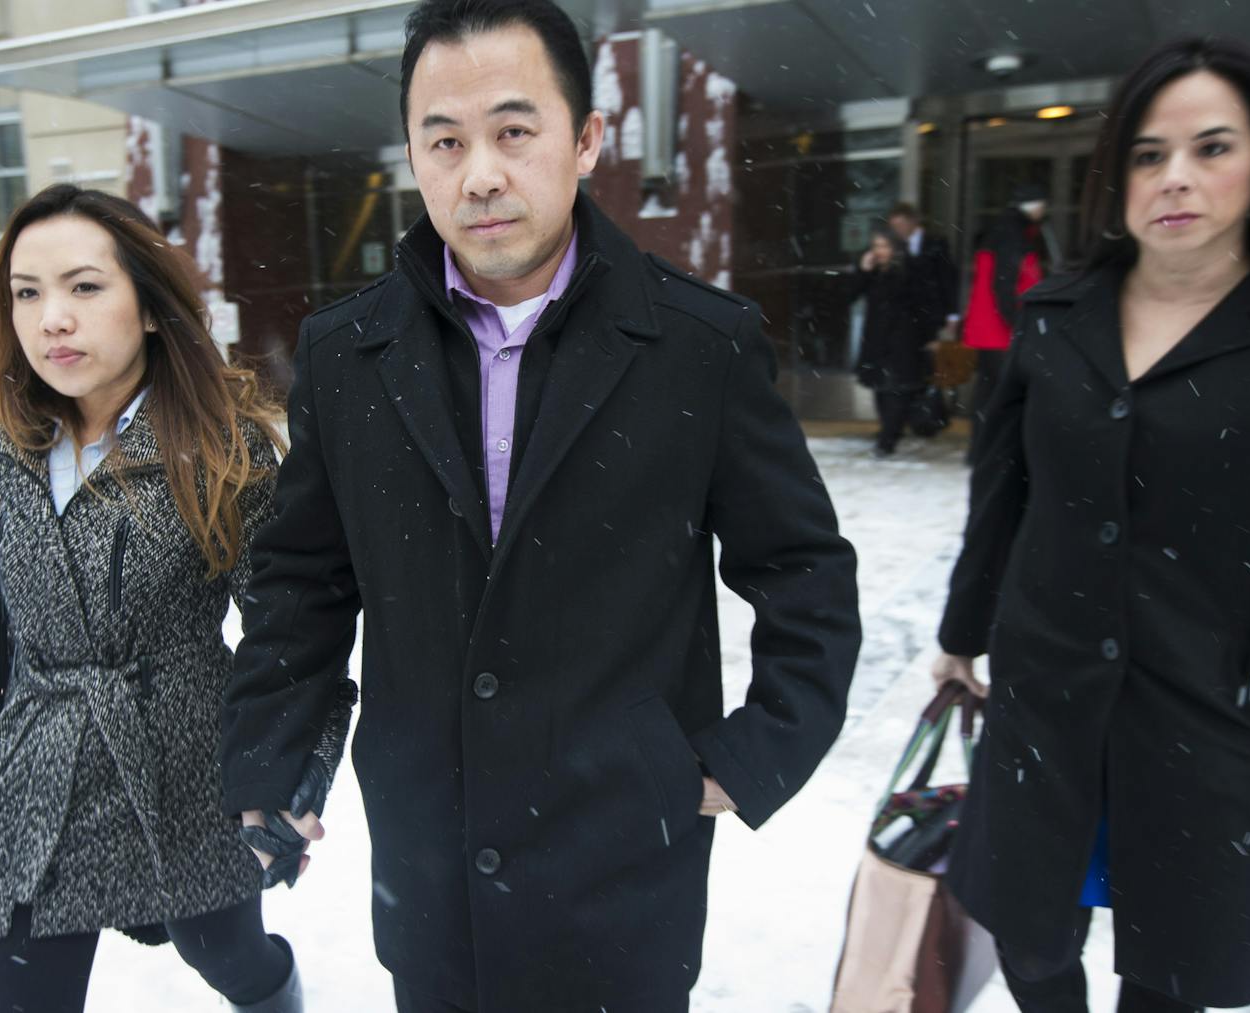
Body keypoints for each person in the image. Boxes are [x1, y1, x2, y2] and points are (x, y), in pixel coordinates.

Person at [219, 1, 862, 1011]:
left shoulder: (698, 343)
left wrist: (748, 758)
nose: (479, 173)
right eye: (444, 139)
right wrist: (268, 752)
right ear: (413, 155)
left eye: (514, 131)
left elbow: (805, 572)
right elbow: (300, 577)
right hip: (431, 869)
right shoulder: (347, 356)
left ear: (586, 139)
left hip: (622, 865)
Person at [0, 184, 350, 1013]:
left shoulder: (224, 452)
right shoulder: (4, 438)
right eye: (27, 293)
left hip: (182, 769)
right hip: (34, 767)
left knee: (232, 958)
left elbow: (290, 634)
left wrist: (291, 774)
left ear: (148, 306)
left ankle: (278, 992)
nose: (52, 320)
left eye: (84, 286)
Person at [931, 36, 1250, 1012]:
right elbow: (998, 497)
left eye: (1210, 148)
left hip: (1207, 710)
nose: (1172, 177)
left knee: (1168, 967)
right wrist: (961, 635)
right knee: (1030, 938)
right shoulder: (1052, 319)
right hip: (1046, 693)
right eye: (1144, 153)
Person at [960, 182, 1049, 461]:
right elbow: (1005, 284)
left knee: (988, 391)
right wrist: (1016, 321)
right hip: (1001, 328)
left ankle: (980, 449)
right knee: (1002, 392)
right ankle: (995, 449)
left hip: (989, 326)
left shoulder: (1001, 231)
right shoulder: (1014, 235)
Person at [850, 229, 942, 456]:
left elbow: (926, 305)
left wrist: (931, 336)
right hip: (877, 339)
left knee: (896, 390)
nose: (879, 251)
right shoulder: (872, 273)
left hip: (904, 340)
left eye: (884, 246)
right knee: (882, 389)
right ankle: (889, 431)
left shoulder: (911, 270)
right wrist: (863, 271)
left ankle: (888, 438)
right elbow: (849, 294)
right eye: (875, 246)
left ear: (895, 249)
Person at [888, 200, 959, 338]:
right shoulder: (895, 247)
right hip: (906, 317)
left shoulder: (936, 243)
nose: (898, 230)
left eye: (900, 225)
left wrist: (953, 314)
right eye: (894, 226)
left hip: (932, 313)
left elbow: (947, 279)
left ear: (913, 222)